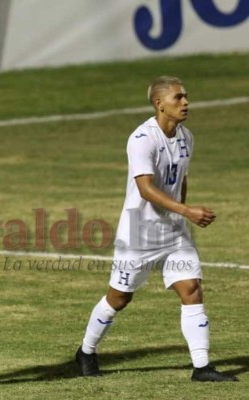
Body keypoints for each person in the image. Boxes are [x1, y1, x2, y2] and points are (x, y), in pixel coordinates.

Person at [75, 76, 238, 382]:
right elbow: (146, 189)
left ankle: (201, 367)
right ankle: (86, 350)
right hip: (139, 233)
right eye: (179, 97)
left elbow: (181, 178)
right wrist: (188, 211)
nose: (186, 102)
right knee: (119, 298)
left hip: (174, 232)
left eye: (186, 96)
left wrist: (180, 214)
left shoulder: (186, 137)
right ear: (160, 104)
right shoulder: (142, 139)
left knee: (191, 289)